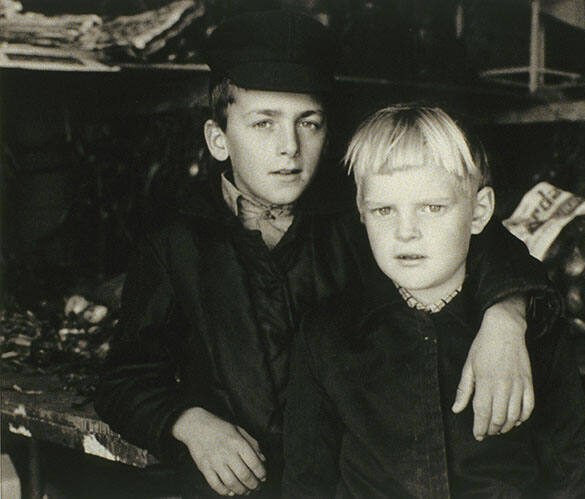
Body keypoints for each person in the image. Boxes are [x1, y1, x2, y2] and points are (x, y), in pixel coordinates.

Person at [95, 11, 557, 498]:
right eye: (263, 123)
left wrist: (506, 318)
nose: (288, 148)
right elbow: (124, 380)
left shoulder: (360, 220)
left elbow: (486, 244)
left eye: (307, 123)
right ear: (217, 139)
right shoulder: (175, 246)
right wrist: (191, 424)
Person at [282, 104, 585, 498]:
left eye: (432, 208)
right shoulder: (326, 335)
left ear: (479, 211)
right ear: (362, 213)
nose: (406, 232)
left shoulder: (529, 329)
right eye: (384, 209)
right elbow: (305, 483)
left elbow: (577, 474)